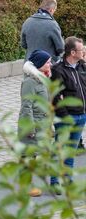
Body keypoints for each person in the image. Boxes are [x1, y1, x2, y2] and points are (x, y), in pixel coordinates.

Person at [50, 36, 86, 191]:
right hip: (67, 117)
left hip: (81, 115)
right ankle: (54, 182)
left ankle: (68, 178)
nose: (84, 51)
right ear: (72, 52)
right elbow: (56, 96)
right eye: (81, 49)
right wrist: (66, 116)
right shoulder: (58, 70)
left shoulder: (81, 67)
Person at [19, 49, 53, 197]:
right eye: (48, 62)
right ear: (39, 64)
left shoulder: (41, 79)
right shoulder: (30, 82)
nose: (50, 64)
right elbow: (26, 106)